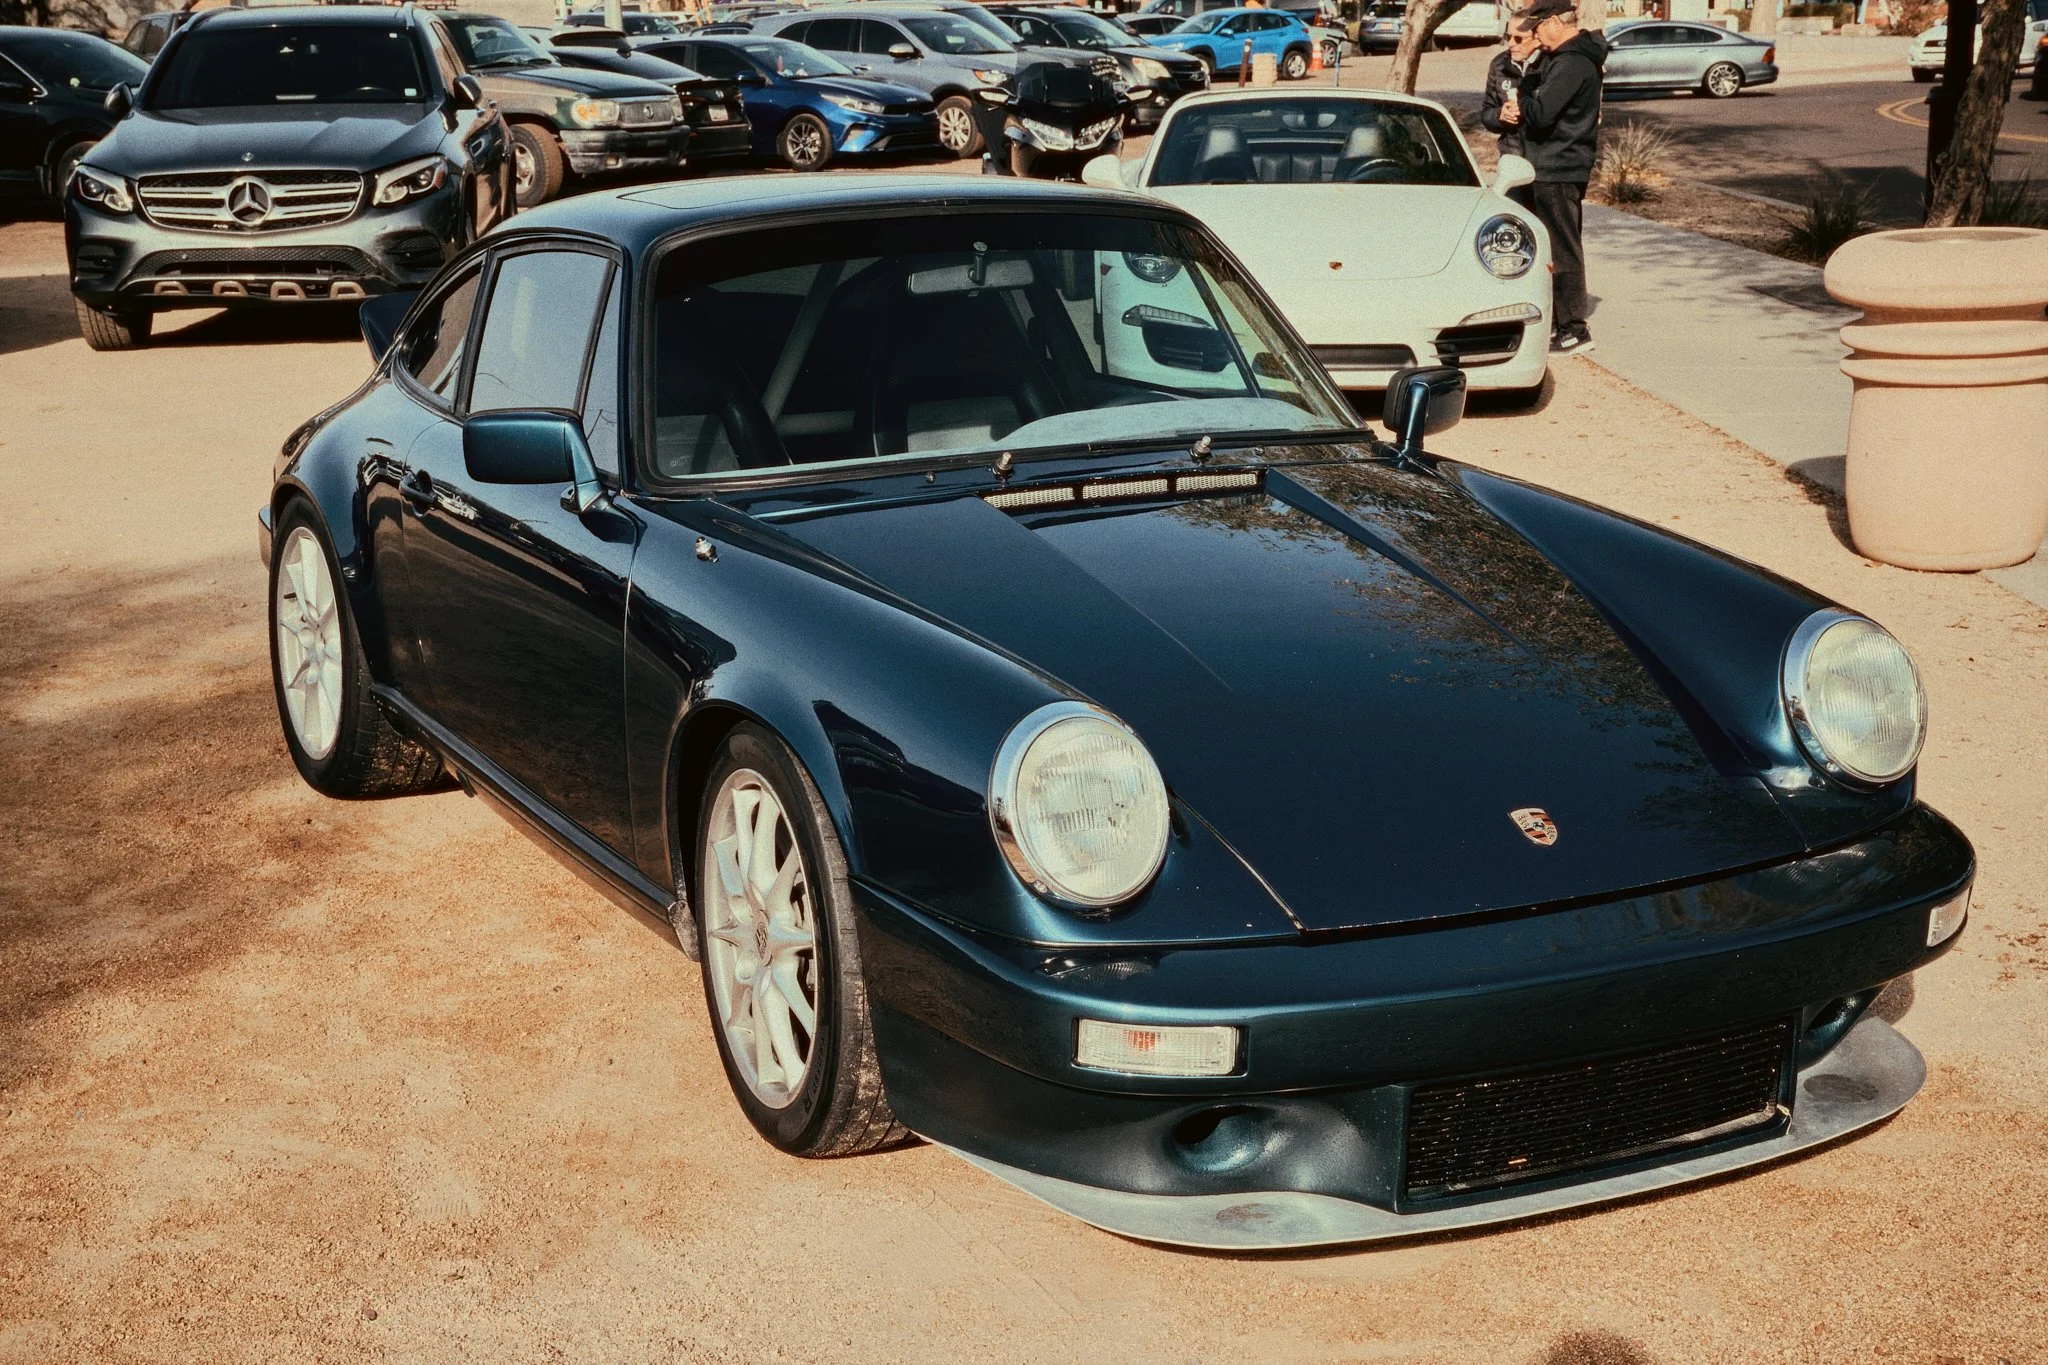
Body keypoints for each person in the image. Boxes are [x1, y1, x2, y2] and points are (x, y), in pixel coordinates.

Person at [1497, 0, 1606, 356]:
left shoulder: (1573, 62)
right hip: (1550, 165)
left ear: (1557, 21)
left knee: (1562, 247)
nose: (1535, 33)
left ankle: (1575, 328)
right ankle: (1560, 323)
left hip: (1559, 168)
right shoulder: (1563, 59)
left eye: (1539, 25)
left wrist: (1523, 101)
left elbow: (1543, 114)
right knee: (1548, 248)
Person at [1478, 15, 1542, 205]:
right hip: (1512, 159)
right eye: (1508, 37)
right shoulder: (1499, 65)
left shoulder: (1550, 64)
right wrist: (1500, 116)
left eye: (1519, 38)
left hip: (1543, 163)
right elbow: (1486, 112)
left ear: (1536, 38)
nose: (1512, 44)